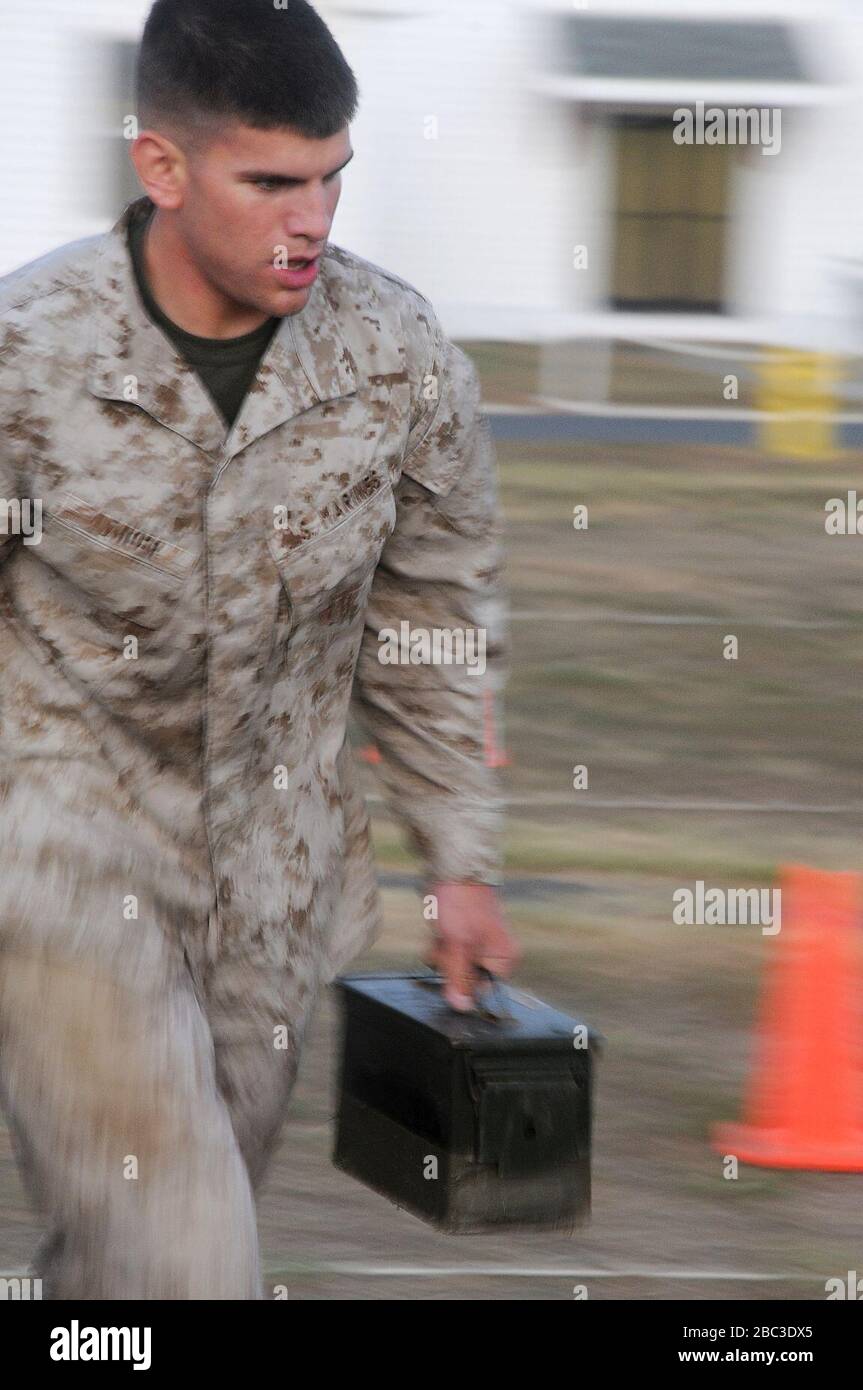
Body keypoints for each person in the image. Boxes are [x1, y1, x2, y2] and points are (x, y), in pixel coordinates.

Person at [0, 0, 518, 1299]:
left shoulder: (395, 357)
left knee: (136, 1261)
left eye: (334, 177)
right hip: (63, 878)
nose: (313, 220)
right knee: (188, 1260)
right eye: (272, 181)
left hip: (276, 899)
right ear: (162, 168)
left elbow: (435, 618)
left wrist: (461, 859)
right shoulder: (27, 357)